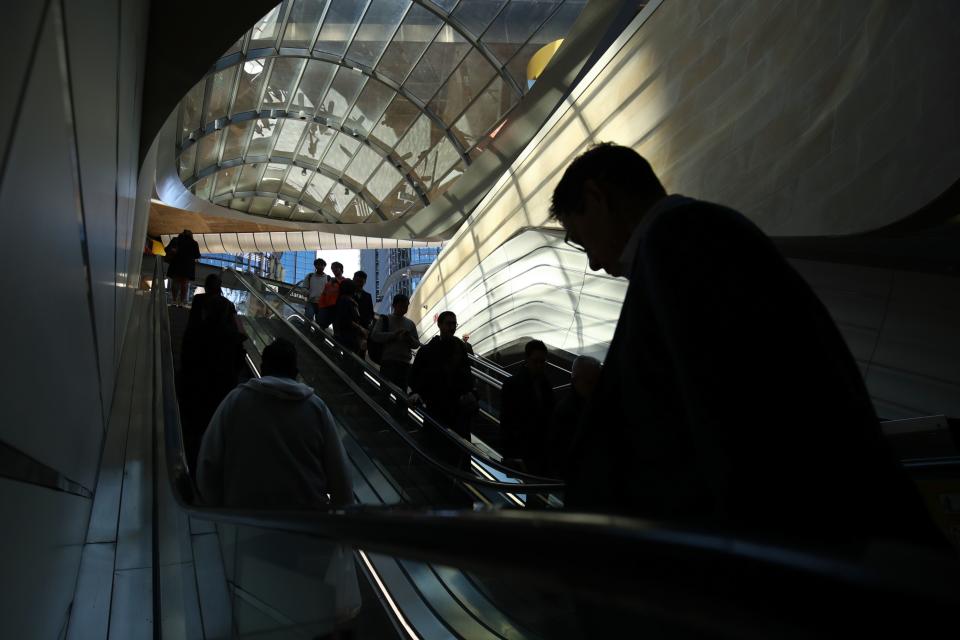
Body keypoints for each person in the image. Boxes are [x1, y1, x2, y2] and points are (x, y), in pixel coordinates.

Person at [550, 142, 945, 548]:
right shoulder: (700, 234)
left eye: (582, 240)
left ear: (596, 198)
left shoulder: (677, 240)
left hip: (800, 538)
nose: (594, 263)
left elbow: (720, 412)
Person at [196, 337, 353, 508]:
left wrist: (220, 510)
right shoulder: (316, 408)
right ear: (295, 371)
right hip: (306, 523)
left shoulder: (236, 400)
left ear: (263, 368)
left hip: (244, 522)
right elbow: (340, 477)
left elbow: (208, 463)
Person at [180, 273, 246, 472]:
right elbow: (241, 343)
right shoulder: (230, 334)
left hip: (196, 382)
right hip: (221, 386)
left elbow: (186, 350)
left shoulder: (197, 321)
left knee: (194, 425)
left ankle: (190, 460)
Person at [409, 311, 477, 439]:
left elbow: (466, 372)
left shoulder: (457, 348)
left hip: (453, 405)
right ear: (439, 325)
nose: (452, 327)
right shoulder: (429, 350)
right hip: (439, 405)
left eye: (454, 324)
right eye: (448, 324)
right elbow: (416, 374)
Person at [499, 340, 555, 473]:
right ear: (526, 359)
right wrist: (510, 455)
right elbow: (506, 421)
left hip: (540, 451)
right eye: (536, 361)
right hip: (524, 452)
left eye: (542, 362)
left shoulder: (545, 384)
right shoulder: (512, 385)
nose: (539, 365)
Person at [544, 355, 601, 479]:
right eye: (591, 382)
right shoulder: (566, 412)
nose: (596, 387)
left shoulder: (567, 407)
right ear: (575, 380)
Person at [370, 293, 420, 392]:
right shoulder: (385, 319)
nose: (404, 308)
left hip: (404, 363)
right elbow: (375, 336)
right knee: (386, 390)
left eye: (406, 306)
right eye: (402, 305)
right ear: (394, 305)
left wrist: (409, 338)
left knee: (401, 391)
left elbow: (416, 344)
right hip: (388, 361)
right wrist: (394, 335)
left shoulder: (410, 324)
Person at [165, 229, 200, 306]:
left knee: (175, 282)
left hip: (176, 265)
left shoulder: (176, 240)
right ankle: (181, 302)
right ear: (191, 235)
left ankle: (174, 300)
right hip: (187, 267)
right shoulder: (194, 243)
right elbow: (197, 255)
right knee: (184, 284)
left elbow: (166, 249)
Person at [332, 279, 367, 355]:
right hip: (347, 335)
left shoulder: (349, 300)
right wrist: (360, 328)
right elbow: (346, 319)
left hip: (350, 335)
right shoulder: (345, 300)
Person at [316, 261, 346, 329]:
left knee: (337, 328)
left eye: (335, 268)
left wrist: (337, 282)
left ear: (341, 269)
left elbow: (346, 293)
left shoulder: (345, 281)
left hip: (338, 308)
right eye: (332, 268)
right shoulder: (329, 282)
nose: (333, 270)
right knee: (321, 326)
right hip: (327, 308)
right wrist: (320, 306)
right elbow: (324, 294)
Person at [298, 258, 327, 323]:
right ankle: (306, 332)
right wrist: (309, 294)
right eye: (318, 265)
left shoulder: (327, 278)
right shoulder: (310, 276)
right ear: (315, 266)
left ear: (324, 266)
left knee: (320, 322)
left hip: (322, 304)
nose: (320, 267)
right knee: (308, 319)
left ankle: (316, 333)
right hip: (311, 302)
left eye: (322, 265)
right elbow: (304, 287)